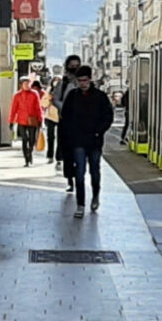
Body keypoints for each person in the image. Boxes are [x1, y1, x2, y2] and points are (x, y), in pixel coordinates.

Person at [60, 66, 113, 218]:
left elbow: (108, 116)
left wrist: (99, 131)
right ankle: (80, 204)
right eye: (80, 81)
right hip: (78, 141)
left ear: (90, 80)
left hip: (95, 141)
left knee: (95, 171)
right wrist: (70, 135)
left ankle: (96, 195)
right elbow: (65, 116)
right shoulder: (72, 96)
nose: (82, 83)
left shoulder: (100, 97)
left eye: (85, 80)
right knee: (79, 173)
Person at [53, 55, 82, 187]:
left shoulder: (84, 82)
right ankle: (70, 177)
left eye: (77, 65)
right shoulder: (62, 83)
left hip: (82, 123)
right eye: (72, 65)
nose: (74, 67)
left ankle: (79, 175)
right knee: (67, 152)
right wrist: (64, 109)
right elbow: (55, 99)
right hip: (65, 122)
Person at [9, 76, 43, 167]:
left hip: (32, 120)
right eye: (25, 83)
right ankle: (26, 159)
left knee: (32, 139)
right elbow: (13, 109)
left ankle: (30, 152)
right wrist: (11, 121)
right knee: (25, 139)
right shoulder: (17, 95)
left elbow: (38, 107)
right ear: (21, 85)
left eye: (29, 83)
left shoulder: (34, 94)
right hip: (21, 120)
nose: (27, 85)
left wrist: (40, 119)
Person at [42, 77, 61, 163]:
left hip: (61, 116)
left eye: (58, 81)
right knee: (50, 137)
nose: (56, 82)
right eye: (55, 80)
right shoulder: (49, 91)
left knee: (60, 138)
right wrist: (49, 98)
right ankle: (50, 156)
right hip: (50, 116)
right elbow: (43, 104)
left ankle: (59, 157)